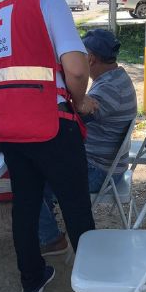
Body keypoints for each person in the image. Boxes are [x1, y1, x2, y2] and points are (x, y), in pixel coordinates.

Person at [0, 0, 97, 292]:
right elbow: (78, 67)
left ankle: (32, 279)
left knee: (24, 203)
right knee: (75, 202)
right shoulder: (47, 1)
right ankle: (96, 276)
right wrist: (81, 100)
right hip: (50, 122)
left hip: (7, 129)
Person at [38, 29, 137, 256]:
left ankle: (51, 239)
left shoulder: (106, 90)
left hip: (99, 170)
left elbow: (68, 123)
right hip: (108, 161)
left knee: (32, 180)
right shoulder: (117, 78)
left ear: (89, 59)